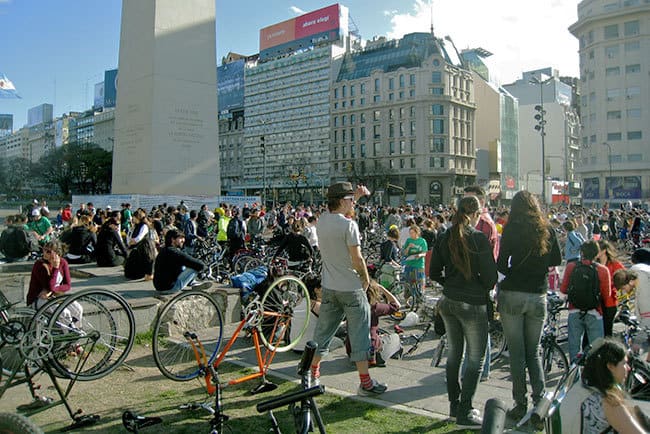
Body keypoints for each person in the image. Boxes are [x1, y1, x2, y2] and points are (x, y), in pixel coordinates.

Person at [309, 181, 388, 396]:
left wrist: (357, 196)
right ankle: (365, 383)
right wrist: (365, 280)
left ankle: (312, 375)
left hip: (329, 287)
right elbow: (357, 258)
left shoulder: (322, 221)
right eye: (351, 200)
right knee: (360, 336)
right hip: (351, 288)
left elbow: (340, 215)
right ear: (344, 201)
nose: (354, 202)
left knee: (322, 334)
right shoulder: (349, 226)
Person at [429, 196, 498, 428]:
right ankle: (465, 410)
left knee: (454, 354)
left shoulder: (445, 235)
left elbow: (433, 271)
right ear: (476, 214)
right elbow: (490, 278)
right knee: (475, 358)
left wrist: (450, 282)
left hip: (449, 300)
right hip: (472, 302)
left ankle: (454, 405)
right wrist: (475, 283)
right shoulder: (477, 238)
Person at [496, 190, 562, 421]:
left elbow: (501, 264)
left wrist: (516, 270)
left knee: (516, 353)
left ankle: (519, 403)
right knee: (533, 351)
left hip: (513, 293)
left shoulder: (512, 229)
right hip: (538, 294)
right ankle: (540, 400)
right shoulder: (547, 229)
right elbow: (556, 260)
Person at [560, 338, 648, 433]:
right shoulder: (609, 402)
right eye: (624, 363)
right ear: (610, 366)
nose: (628, 368)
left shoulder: (580, 387)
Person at [560, 240, 611, 362]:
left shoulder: (571, 267)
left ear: (581, 252)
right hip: (594, 311)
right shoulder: (603, 270)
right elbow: (606, 295)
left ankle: (574, 374)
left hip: (574, 310)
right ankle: (594, 374)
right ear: (596, 253)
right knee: (596, 349)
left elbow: (563, 289)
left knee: (574, 347)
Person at [26, 240, 72, 309]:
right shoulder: (40, 265)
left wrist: (54, 290)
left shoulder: (63, 262)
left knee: (78, 310)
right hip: (38, 299)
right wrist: (55, 269)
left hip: (55, 295)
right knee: (65, 313)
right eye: (44, 250)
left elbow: (68, 285)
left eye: (48, 252)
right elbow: (50, 286)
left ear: (57, 253)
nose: (44, 253)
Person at [595, 239, 625, 337]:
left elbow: (625, 277)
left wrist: (615, 287)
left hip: (610, 301)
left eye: (597, 250)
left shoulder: (614, 264)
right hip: (596, 302)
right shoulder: (594, 264)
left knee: (607, 330)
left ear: (604, 251)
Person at [124, 209, 156, 280]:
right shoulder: (135, 226)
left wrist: (131, 241)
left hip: (142, 249)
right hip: (138, 248)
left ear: (137, 217)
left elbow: (137, 239)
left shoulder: (144, 227)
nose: (132, 219)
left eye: (133, 217)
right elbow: (129, 239)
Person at [401, 225, 427, 305]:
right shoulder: (408, 240)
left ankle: (420, 298)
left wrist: (420, 255)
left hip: (419, 264)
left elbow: (424, 252)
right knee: (408, 282)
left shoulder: (422, 241)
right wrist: (408, 247)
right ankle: (406, 301)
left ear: (417, 233)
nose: (411, 235)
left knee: (420, 281)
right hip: (409, 264)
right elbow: (404, 253)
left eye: (412, 233)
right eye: (410, 233)